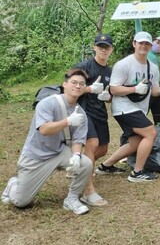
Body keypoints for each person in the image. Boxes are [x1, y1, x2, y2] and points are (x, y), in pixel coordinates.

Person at [2, 68, 92, 215]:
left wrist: (76, 155)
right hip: (36, 157)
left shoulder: (81, 113)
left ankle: (72, 199)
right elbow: (44, 129)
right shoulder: (47, 103)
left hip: (58, 152)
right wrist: (68, 121)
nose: (78, 86)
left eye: (82, 84)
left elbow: (78, 139)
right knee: (21, 202)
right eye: (74, 82)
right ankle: (13, 184)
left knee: (85, 163)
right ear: (65, 84)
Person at [97, 31, 160, 182]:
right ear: (134, 43)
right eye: (140, 43)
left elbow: (153, 91)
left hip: (138, 108)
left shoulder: (152, 67)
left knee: (135, 142)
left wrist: (159, 91)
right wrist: (134, 89)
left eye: (147, 43)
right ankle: (137, 172)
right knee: (150, 133)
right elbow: (114, 89)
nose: (144, 46)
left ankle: (105, 166)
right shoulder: (123, 64)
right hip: (123, 107)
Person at [74, 34, 119, 207]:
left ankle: (80, 166)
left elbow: (109, 96)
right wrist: (89, 88)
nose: (103, 49)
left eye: (106, 47)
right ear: (94, 47)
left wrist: (107, 97)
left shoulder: (110, 71)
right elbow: (67, 86)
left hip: (100, 112)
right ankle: (88, 192)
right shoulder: (84, 66)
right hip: (84, 111)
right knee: (92, 145)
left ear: (111, 50)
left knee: (102, 149)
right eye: (100, 46)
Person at [135, 19, 160, 124]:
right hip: (143, 87)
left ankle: (158, 135)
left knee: (158, 117)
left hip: (155, 89)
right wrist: (137, 17)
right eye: (158, 42)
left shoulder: (158, 59)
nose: (158, 45)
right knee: (140, 116)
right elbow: (139, 33)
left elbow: (159, 75)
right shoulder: (143, 52)